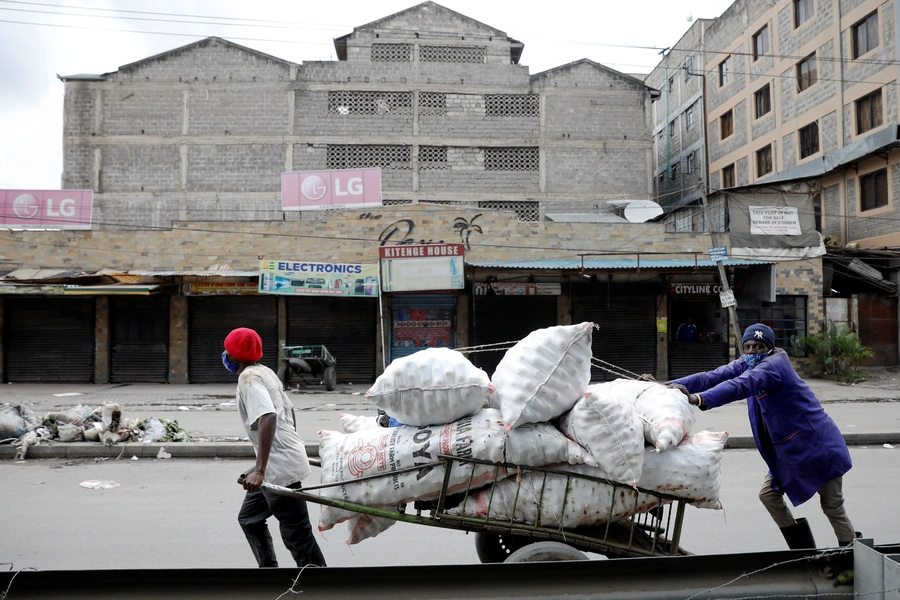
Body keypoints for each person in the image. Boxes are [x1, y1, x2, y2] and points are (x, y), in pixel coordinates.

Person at [667, 323, 859, 549]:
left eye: (758, 347)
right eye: (747, 347)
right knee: (769, 496)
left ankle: (851, 556)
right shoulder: (747, 363)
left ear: (769, 348)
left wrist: (697, 399)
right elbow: (712, 377)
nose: (751, 352)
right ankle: (803, 552)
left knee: (832, 506)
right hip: (789, 454)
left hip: (817, 448)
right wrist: (668, 387)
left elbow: (741, 385)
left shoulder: (774, 366)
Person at [223, 327, 327, 568]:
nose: (225, 356)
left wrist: (260, 470)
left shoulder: (248, 379)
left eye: (227, 351)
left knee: (297, 534)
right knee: (249, 518)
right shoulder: (265, 372)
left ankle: (320, 584)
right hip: (277, 461)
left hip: (278, 469)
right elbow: (290, 411)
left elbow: (268, 416)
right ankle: (268, 570)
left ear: (234, 356)